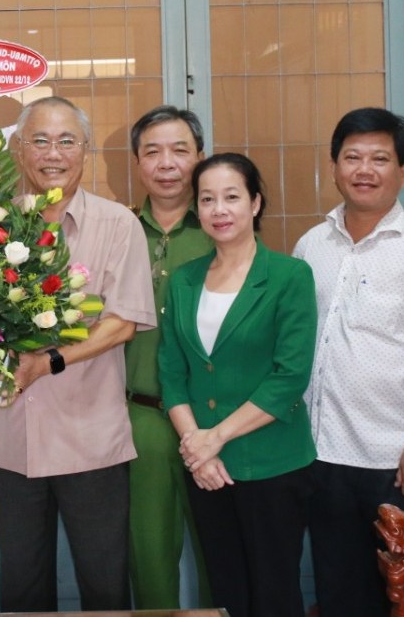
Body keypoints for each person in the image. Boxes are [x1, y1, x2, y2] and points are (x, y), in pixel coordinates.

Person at [0, 95, 156, 612]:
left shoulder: (118, 224)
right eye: (39, 141)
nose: (53, 153)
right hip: (16, 437)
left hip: (92, 440)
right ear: (20, 150)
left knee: (104, 587)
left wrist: (48, 361)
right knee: (22, 589)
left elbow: (122, 323)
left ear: (84, 150)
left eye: (66, 141)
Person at [293, 108, 404, 617]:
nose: (364, 170)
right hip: (322, 454)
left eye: (380, 159)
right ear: (334, 166)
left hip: (396, 462)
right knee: (341, 595)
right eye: (352, 157)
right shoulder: (311, 245)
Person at [159, 152, 316, 617]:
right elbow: (172, 373)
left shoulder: (289, 276)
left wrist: (214, 439)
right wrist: (197, 447)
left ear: (255, 203)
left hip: (272, 464)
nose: (219, 210)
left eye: (231, 197)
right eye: (207, 199)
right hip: (205, 468)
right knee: (225, 591)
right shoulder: (185, 281)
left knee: (275, 594)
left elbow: (289, 377)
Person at [124, 105, 212, 609]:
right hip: (140, 416)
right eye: (152, 152)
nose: (167, 163)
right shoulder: (119, 230)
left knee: (220, 551)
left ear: (199, 156)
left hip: (213, 419)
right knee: (149, 555)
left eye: (180, 150)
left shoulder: (222, 225)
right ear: (137, 162)